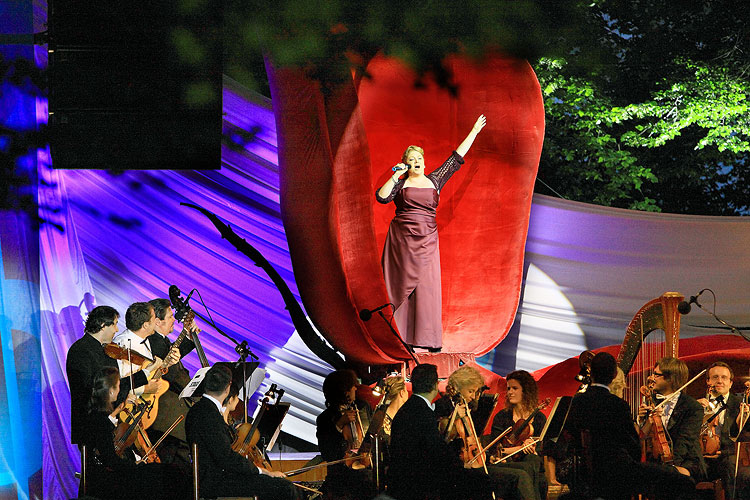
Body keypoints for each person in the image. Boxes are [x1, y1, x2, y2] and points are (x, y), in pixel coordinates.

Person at [376, 115, 487, 352]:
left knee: (426, 288)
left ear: (424, 163)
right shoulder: (401, 184)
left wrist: (474, 131)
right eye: (411, 159)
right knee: (399, 286)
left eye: (418, 158)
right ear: (405, 163)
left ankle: (425, 340)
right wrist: (396, 174)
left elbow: (456, 159)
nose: (416, 161)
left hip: (427, 239)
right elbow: (382, 197)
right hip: (402, 241)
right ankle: (397, 335)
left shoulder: (435, 180)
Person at [563, 352, 697, 500]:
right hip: (620, 471)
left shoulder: (577, 401)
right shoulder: (618, 405)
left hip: (586, 471)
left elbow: (570, 436)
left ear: (591, 373)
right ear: (614, 375)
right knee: (683, 481)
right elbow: (633, 447)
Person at [185, 364, 296, 499]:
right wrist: (262, 471)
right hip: (216, 482)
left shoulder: (198, 410)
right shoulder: (209, 414)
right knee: (284, 487)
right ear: (227, 389)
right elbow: (226, 457)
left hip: (212, 477)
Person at [388, 363, 494, 500]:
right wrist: (461, 465)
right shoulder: (424, 413)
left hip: (409, 475)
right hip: (417, 480)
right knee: (483, 482)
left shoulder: (409, 408)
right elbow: (437, 450)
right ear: (435, 385)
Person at [81, 367, 190, 499]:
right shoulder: (99, 421)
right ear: (111, 392)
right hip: (107, 481)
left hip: (112, 474)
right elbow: (111, 460)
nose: (121, 390)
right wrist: (135, 465)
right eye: (118, 386)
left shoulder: (99, 417)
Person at [435, 365, 538, 500]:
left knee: (527, 468)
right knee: (520, 476)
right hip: (461, 468)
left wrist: (486, 455)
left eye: (475, 392)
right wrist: (453, 418)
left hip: (476, 461)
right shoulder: (443, 406)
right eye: (470, 391)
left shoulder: (465, 408)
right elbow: (442, 440)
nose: (473, 397)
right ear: (458, 389)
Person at [66, 305, 160, 445]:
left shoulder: (105, 350)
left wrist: (124, 398)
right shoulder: (81, 350)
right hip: (92, 426)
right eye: (115, 324)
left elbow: (114, 385)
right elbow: (95, 389)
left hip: (107, 422)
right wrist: (145, 373)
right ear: (103, 325)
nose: (117, 330)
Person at [145, 297, 198, 464]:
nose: (174, 319)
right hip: (165, 417)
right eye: (170, 316)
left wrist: (190, 339)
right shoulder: (153, 341)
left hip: (173, 418)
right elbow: (167, 371)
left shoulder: (162, 341)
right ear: (158, 321)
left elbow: (174, 354)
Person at [638, 357, 707, 480]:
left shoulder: (692, 407)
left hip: (686, 461)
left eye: (656, 374)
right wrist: (642, 420)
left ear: (671, 379)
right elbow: (642, 438)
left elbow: (685, 441)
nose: (651, 378)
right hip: (656, 460)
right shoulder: (650, 401)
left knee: (671, 477)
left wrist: (670, 466)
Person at [315, 369, 375, 500]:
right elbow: (327, 453)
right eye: (352, 386)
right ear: (344, 391)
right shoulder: (325, 418)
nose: (355, 388)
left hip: (366, 466)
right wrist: (339, 425)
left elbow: (371, 434)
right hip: (341, 476)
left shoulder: (363, 407)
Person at [489, 370, 547, 500]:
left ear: (526, 391)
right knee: (529, 468)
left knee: (533, 460)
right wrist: (519, 448)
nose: (510, 392)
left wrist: (531, 447)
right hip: (506, 461)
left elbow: (540, 448)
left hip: (532, 463)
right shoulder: (502, 417)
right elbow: (495, 448)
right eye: (509, 388)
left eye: (515, 388)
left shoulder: (539, 418)